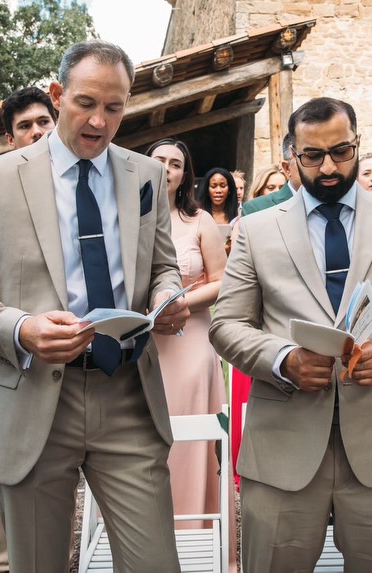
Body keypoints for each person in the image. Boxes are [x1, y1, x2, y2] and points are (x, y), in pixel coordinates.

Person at [0, 40, 189, 573]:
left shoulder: (145, 177)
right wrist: (22, 327)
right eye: (85, 103)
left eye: (115, 107)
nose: (99, 121)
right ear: (57, 96)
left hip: (128, 394)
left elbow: (164, 267)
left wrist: (169, 294)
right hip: (34, 397)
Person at [210, 96, 372, 572]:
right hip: (283, 444)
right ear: (291, 157)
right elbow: (226, 326)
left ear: (358, 145)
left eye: (341, 152)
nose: (328, 167)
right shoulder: (257, 230)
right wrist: (284, 360)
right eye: (312, 156)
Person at [0, 85, 59, 573]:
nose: (37, 131)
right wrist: (18, 327)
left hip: (80, 367)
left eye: (43, 121)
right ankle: (5, 563)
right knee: (11, 475)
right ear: (9, 139)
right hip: (15, 360)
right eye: (24, 126)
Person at [147, 138, 237, 572]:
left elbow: (222, 280)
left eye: (175, 163)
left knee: (190, 440)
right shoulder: (127, 220)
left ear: (185, 175)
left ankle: (197, 537)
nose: (166, 168)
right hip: (141, 347)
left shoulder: (199, 220)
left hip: (189, 339)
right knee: (143, 442)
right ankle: (144, 538)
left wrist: (185, 303)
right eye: (159, 160)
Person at [240, 133, 300, 216]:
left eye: (282, 187)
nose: (277, 191)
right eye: (271, 188)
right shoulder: (254, 208)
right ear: (258, 191)